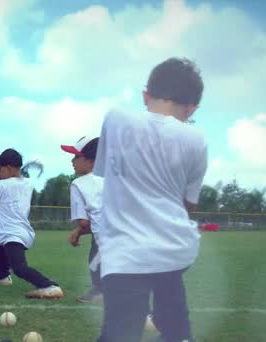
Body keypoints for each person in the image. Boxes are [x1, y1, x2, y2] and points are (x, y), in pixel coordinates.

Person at [95, 57, 207, 342]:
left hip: (127, 255)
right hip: (175, 249)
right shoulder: (197, 139)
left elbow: (106, 175)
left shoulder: (116, 119)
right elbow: (187, 206)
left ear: (146, 95)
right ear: (192, 107)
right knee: (176, 330)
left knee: (120, 333)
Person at [0, 148, 63, 299]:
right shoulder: (28, 184)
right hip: (25, 231)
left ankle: (49, 286)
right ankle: (1, 277)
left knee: (20, 268)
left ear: (8, 168)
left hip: (12, 234)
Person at [61, 136, 104, 304]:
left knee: (96, 260)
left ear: (91, 161)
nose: (72, 161)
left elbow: (85, 222)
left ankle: (100, 291)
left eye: (76, 157)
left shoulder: (79, 184)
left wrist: (79, 230)